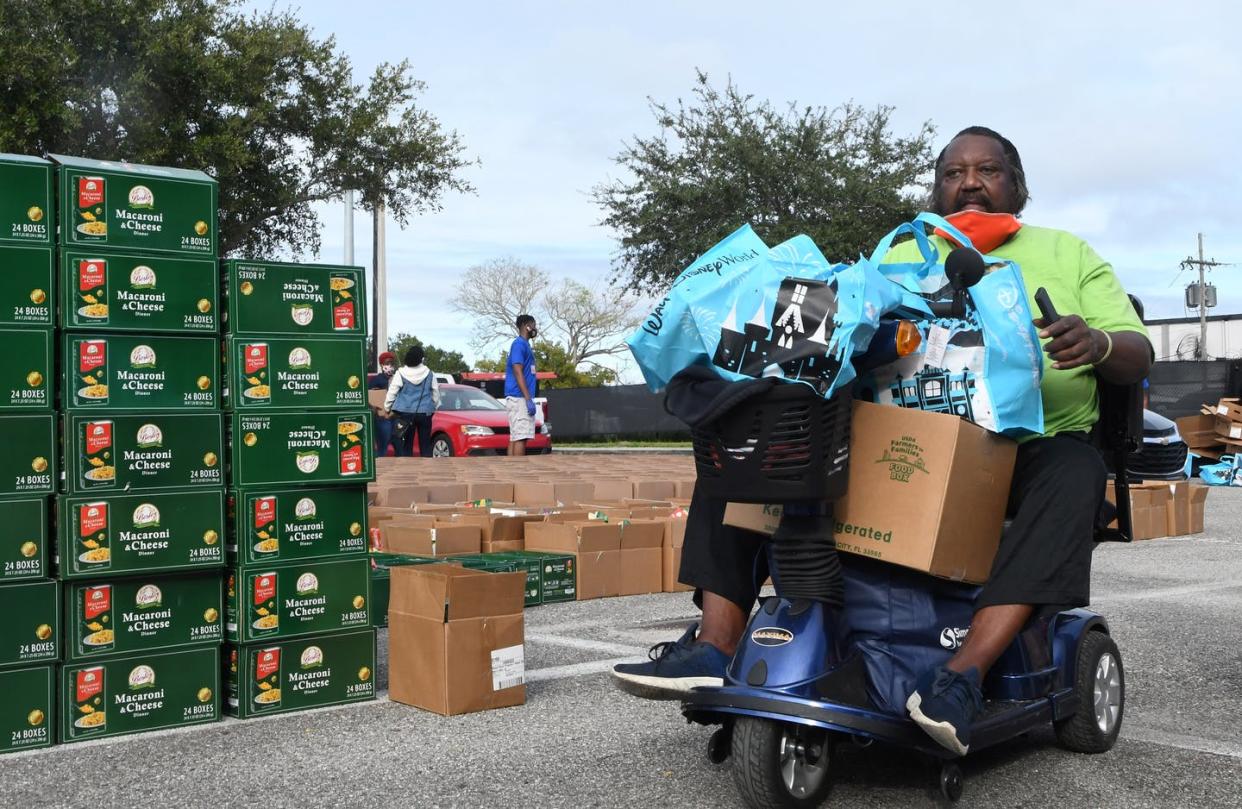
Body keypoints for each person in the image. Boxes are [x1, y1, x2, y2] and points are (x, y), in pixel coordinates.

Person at [612, 126, 1153, 758]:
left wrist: (1099, 343)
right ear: (937, 185)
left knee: (1075, 468)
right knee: (747, 439)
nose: (970, 182)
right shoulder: (897, 254)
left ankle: (962, 679)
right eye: (953, 172)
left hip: (1022, 450)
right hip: (905, 438)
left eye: (988, 170)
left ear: (1018, 184)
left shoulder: (1066, 253)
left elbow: (1137, 350)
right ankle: (716, 643)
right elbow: (839, 326)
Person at [383, 345, 440, 457]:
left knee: (406, 445)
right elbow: (435, 393)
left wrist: (387, 407)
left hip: (405, 413)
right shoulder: (429, 373)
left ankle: (407, 469)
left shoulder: (401, 373)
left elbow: (392, 392)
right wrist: (435, 406)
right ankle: (427, 470)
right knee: (425, 445)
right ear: (421, 359)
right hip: (425, 413)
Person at [504, 314, 539, 456]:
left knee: (515, 437)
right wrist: (528, 398)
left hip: (520, 398)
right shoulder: (519, 344)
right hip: (519, 398)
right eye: (534, 325)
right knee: (521, 438)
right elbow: (517, 370)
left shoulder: (525, 345)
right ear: (527, 326)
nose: (535, 329)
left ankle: (511, 472)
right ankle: (519, 472)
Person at [369, 351, 399, 457]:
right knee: (383, 448)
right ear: (382, 365)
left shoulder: (397, 379)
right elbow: (370, 397)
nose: (390, 366)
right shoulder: (376, 380)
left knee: (400, 448)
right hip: (382, 419)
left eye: (392, 363)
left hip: (396, 417)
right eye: (387, 363)